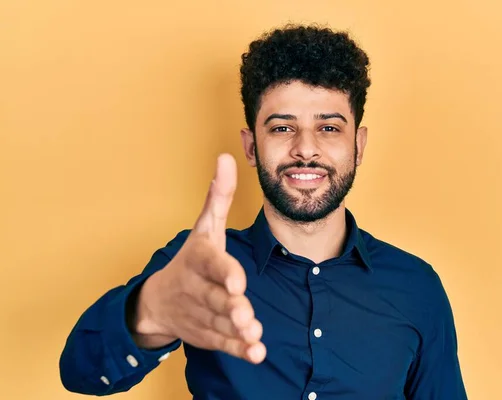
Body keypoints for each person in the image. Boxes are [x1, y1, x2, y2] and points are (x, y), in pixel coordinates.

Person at [59, 24, 468, 400]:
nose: (306, 149)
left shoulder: (417, 287)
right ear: (252, 146)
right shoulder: (200, 263)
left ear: (358, 145)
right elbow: (80, 371)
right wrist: (150, 313)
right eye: (282, 127)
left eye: (329, 128)